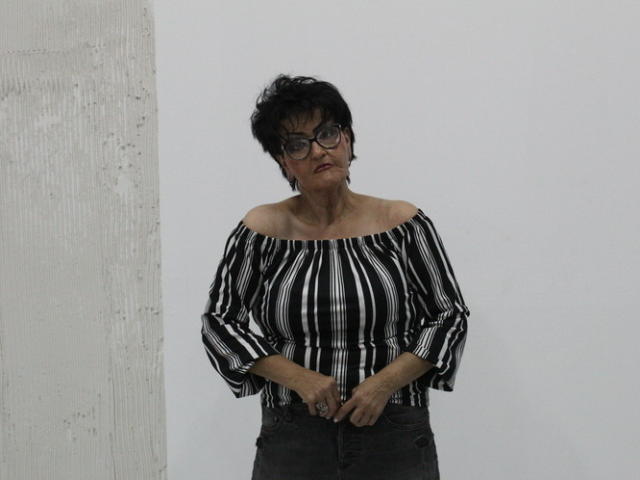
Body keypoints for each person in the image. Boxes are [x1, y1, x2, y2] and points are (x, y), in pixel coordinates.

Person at [201, 74, 470, 480]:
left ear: (348, 139)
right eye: (297, 143)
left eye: (327, 133)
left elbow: (449, 316)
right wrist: (298, 378)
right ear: (282, 161)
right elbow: (220, 322)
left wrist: (383, 384)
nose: (317, 150)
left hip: (394, 429)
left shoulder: (402, 223)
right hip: (293, 433)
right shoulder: (262, 231)